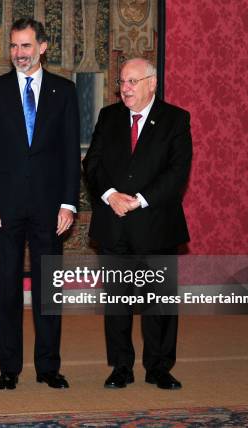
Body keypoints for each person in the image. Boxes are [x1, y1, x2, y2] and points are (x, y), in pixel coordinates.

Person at [0, 18, 80, 390]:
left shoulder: (64, 91)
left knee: (49, 288)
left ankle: (49, 367)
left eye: (26, 46)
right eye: (14, 47)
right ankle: (9, 368)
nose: (19, 54)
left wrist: (69, 204)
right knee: (6, 288)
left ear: (42, 47)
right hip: (3, 209)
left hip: (51, 209)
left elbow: (70, 154)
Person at [82, 58, 192, 390]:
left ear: (152, 83)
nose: (125, 88)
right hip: (114, 225)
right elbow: (93, 164)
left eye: (132, 82)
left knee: (160, 303)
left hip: (156, 225)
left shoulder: (175, 119)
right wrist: (111, 194)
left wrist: (140, 199)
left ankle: (159, 367)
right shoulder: (109, 116)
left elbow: (177, 173)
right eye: (122, 82)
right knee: (117, 301)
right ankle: (121, 367)